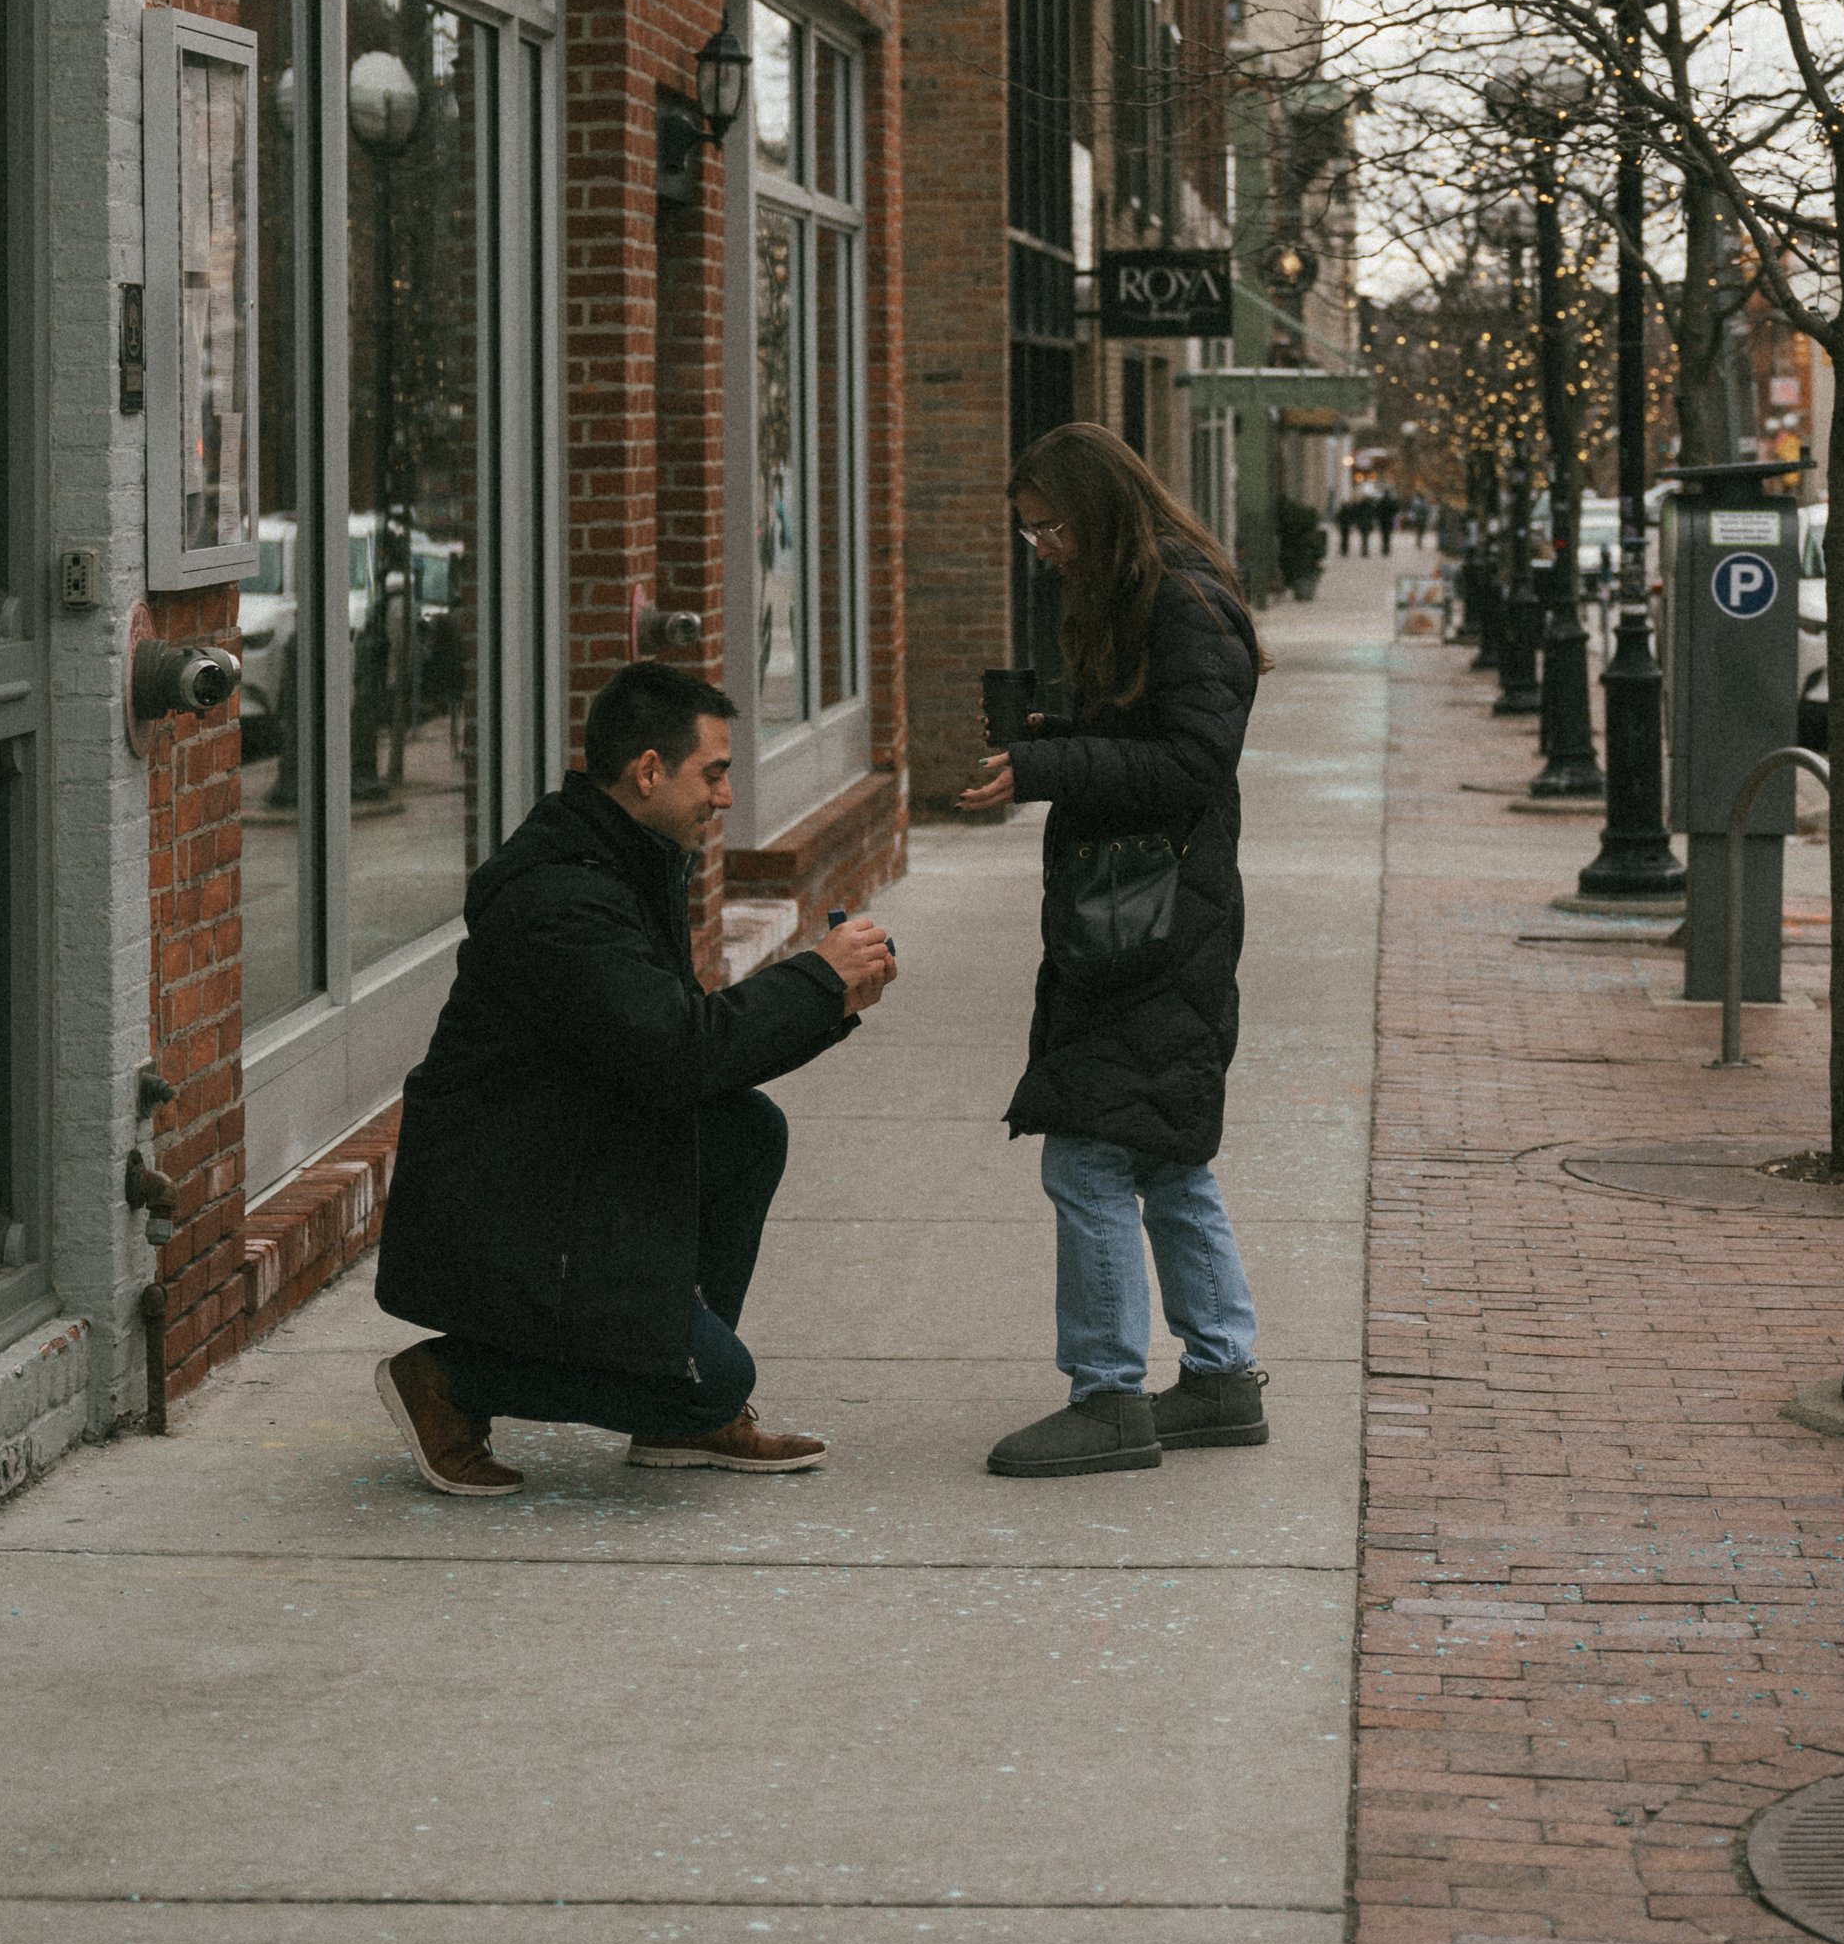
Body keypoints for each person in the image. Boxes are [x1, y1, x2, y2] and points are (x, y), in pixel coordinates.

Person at [373, 662, 897, 1495]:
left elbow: (681, 1061)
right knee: (719, 1379)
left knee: (747, 1130)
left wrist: (828, 1000)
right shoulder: (564, 899)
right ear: (649, 770)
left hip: (564, 1160)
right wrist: (815, 981)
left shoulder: (625, 862)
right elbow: (676, 1052)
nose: (726, 796)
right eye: (713, 773)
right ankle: (449, 1380)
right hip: (508, 1202)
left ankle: (674, 1410)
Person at [959, 423, 1267, 1478]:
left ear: (1100, 511)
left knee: (1088, 1152)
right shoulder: (1144, 596)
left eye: (1052, 527)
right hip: (1143, 913)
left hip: (1154, 922)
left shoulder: (1180, 602)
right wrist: (1049, 735)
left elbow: (1192, 764)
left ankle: (1108, 1397)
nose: (1042, 548)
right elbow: (1149, 741)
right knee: (1164, 1148)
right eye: (1029, 532)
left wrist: (1049, 764)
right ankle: (1222, 1377)